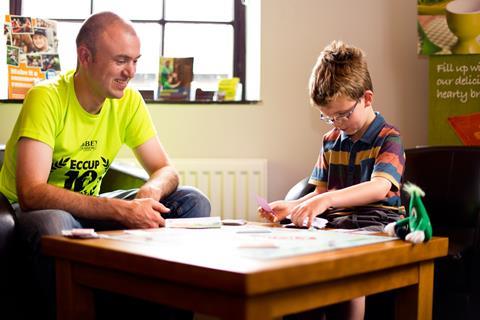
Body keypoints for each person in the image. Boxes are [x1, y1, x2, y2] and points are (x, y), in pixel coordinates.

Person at [0, 11, 210, 319]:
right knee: (55, 224)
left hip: (89, 212)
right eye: (121, 60)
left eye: (136, 60)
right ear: (85, 56)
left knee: (192, 201)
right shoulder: (45, 98)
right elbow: (31, 192)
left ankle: (154, 308)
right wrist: (119, 211)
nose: (131, 72)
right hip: (29, 213)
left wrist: (151, 191)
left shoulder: (129, 101)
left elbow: (166, 170)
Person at [258, 40, 405, 320]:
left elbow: (380, 186)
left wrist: (327, 199)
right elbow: (320, 190)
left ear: (367, 98)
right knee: (295, 258)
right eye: (328, 117)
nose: (337, 123)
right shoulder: (330, 141)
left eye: (343, 114)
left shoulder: (388, 137)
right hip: (338, 225)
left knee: (349, 270)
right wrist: (291, 207)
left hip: (377, 226)